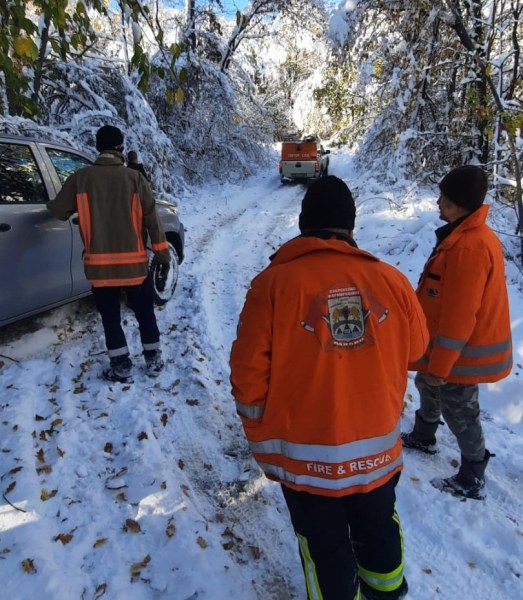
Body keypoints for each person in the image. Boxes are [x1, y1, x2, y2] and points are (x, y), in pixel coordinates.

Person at [230, 176, 428, 600]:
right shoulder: (390, 280)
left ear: (303, 224)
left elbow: (248, 374)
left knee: (324, 545)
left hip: (306, 461)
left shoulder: (273, 285)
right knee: (379, 530)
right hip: (376, 455)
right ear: (351, 227)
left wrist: (257, 432)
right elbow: (418, 349)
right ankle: (388, 593)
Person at [402, 165, 512, 500]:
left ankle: (473, 473)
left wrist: (441, 365)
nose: (438, 202)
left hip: (463, 349)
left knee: (459, 406)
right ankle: (424, 434)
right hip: (446, 344)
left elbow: (460, 315)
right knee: (426, 382)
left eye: (444, 198)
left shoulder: (470, 247)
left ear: (460, 205)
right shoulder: (462, 235)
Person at [48, 125, 170, 383]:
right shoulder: (136, 179)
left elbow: (58, 211)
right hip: (134, 268)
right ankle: (153, 361)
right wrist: (162, 254)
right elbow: (153, 220)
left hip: (99, 269)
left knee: (111, 319)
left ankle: (121, 366)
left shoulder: (81, 179)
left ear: (97, 147)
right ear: (120, 148)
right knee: (144, 313)